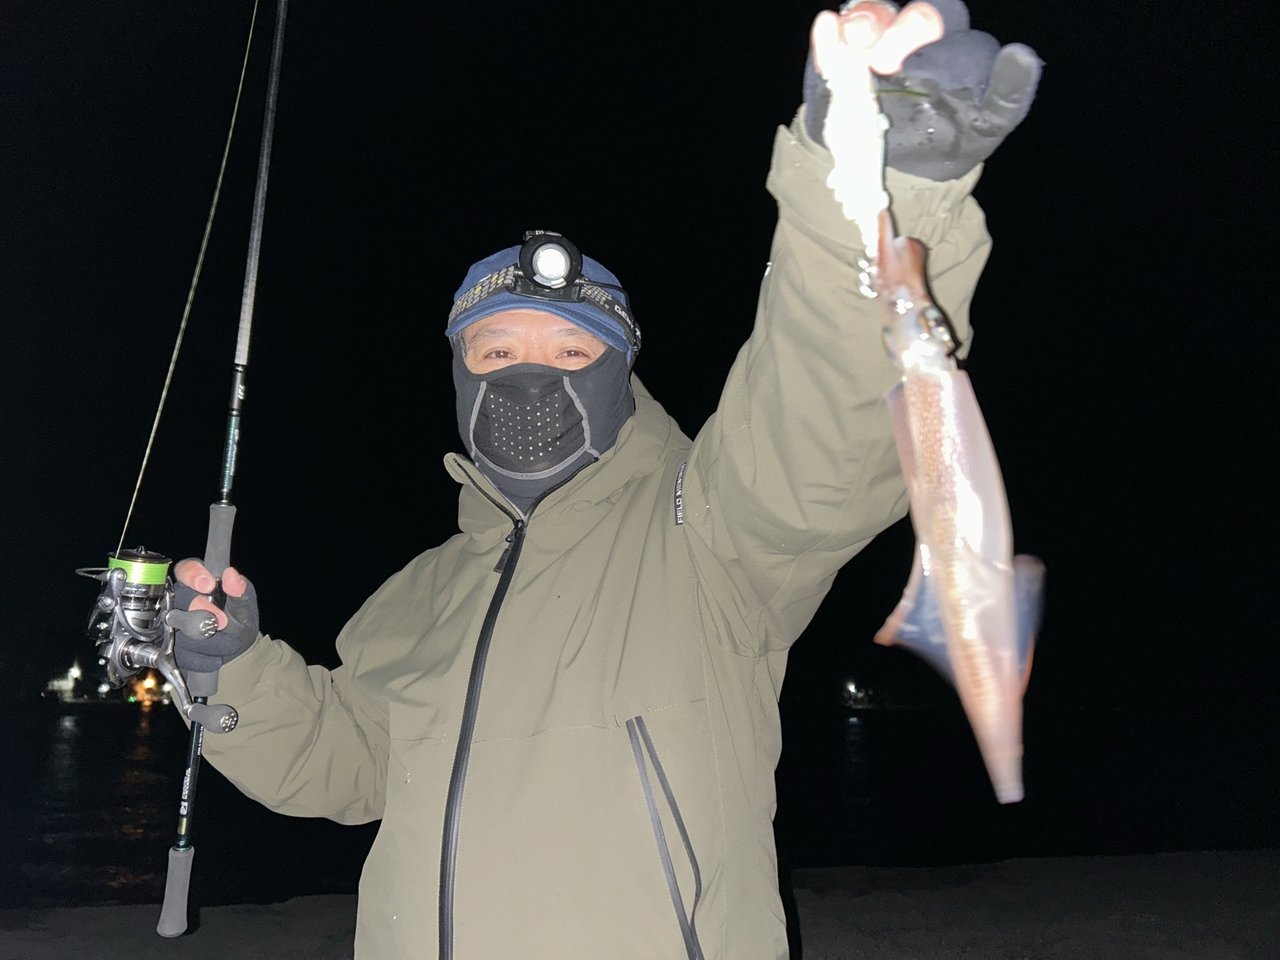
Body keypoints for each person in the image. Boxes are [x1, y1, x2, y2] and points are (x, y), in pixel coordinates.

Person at [172, 3, 1040, 957]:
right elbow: (349, 765)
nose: (527, 377)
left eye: (570, 351)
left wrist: (870, 197)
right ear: (460, 379)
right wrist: (233, 671)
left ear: (620, 377)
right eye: (494, 352)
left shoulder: (711, 528)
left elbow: (827, 413)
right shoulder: (421, 591)